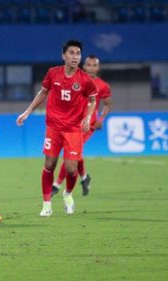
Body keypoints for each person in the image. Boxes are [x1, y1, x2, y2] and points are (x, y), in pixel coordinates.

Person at [16, 40, 97, 217]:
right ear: (64, 55)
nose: (75, 56)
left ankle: (68, 194)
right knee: (49, 164)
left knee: (71, 169)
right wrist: (27, 111)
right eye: (72, 53)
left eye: (78, 53)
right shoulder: (53, 73)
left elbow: (92, 100)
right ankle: (46, 204)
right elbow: (43, 92)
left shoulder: (85, 80)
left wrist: (88, 116)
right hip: (53, 127)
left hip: (73, 130)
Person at [52, 55, 112, 197]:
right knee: (75, 154)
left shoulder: (103, 86)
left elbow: (108, 104)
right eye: (89, 65)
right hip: (72, 123)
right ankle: (84, 177)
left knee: (71, 154)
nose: (91, 68)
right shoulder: (75, 80)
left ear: (98, 68)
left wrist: (101, 119)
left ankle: (57, 184)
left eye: (94, 65)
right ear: (84, 66)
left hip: (87, 125)